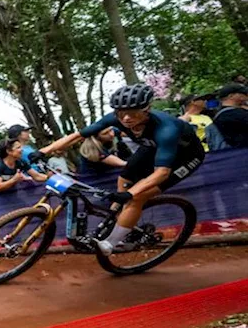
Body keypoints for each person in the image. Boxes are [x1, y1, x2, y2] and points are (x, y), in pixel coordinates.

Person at [34, 83, 205, 254]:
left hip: (186, 156)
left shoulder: (166, 129)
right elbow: (78, 136)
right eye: (121, 113)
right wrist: (44, 151)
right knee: (123, 179)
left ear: (147, 109)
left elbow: (162, 172)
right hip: (153, 147)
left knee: (137, 197)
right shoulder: (115, 118)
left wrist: (130, 194)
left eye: (133, 113)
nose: (126, 119)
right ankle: (117, 218)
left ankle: (110, 244)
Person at [205, 83, 249, 150]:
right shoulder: (233, 114)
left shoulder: (221, 114)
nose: (246, 96)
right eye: (243, 93)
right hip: (241, 154)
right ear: (231, 96)